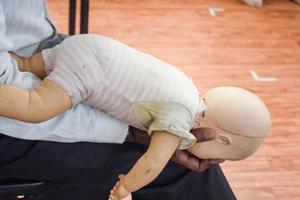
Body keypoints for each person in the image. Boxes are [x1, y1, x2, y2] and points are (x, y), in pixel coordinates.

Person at [0, 1, 236, 200]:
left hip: (56, 51)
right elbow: (152, 163)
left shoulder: (184, 96)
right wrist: (125, 181)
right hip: (15, 105)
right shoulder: (180, 112)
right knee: (183, 170)